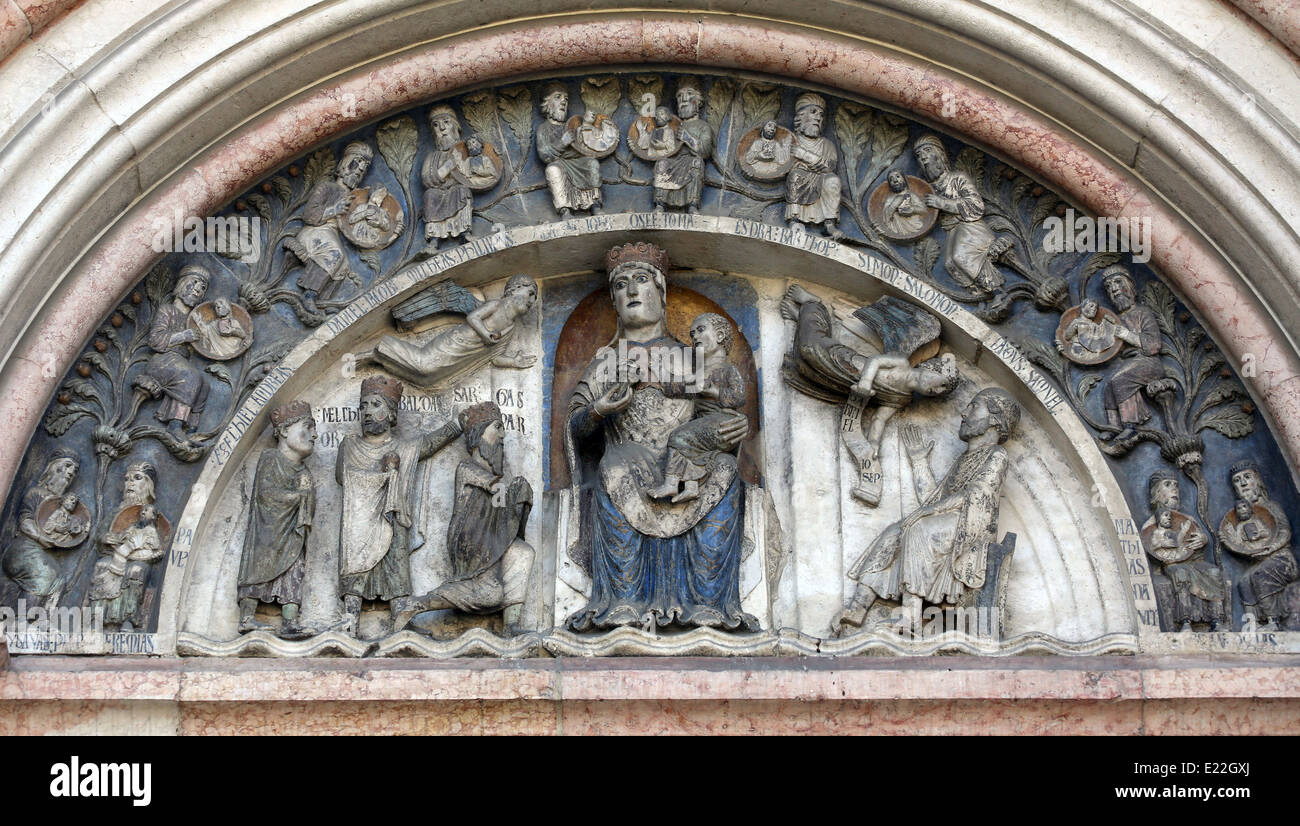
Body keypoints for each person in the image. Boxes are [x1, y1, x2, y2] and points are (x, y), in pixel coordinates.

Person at [563, 242, 758, 632]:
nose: (632, 291)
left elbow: (714, 416)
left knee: (724, 471)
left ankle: (707, 605)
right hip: (627, 456)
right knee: (614, 467)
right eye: (621, 285)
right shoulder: (606, 361)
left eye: (641, 280)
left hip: (688, 457)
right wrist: (601, 409)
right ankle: (623, 602)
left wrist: (733, 433)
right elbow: (576, 428)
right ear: (614, 302)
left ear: (661, 291)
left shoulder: (695, 359)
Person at [831, 388, 1021, 636]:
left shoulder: (997, 455)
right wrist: (920, 462)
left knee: (919, 529)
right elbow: (933, 500)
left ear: (995, 419)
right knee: (895, 531)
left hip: (969, 530)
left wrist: (925, 514)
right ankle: (857, 608)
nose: (964, 413)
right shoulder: (964, 458)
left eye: (974, 406)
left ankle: (910, 617)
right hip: (950, 523)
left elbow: (976, 495)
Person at [391, 402, 534, 633]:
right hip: (471, 540)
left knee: (523, 553)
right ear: (479, 434)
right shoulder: (467, 468)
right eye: (497, 428)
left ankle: (512, 624)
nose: (503, 435)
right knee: (490, 594)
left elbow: (504, 509)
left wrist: (520, 501)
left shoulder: (492, 475)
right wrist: (515, 489)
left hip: (490, 537)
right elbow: (495, 489)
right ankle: (416, 604)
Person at [335, 375, 462, 636]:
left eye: (375, 405)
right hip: (358, 522)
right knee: (356, 567)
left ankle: (401, 621)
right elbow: (341, 477)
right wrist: (383, 474)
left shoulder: (402, 448)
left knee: (396, 566)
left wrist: (458, 424)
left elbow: (428, 443)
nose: (367, 412)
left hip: (392, 519)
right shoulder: (349, 445)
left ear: (392, 414)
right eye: (364, 406)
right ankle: (350, 621)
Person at [364, 273, 538, 388]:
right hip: (455, 343)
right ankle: (383, 347)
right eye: (530, 293)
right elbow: (473, 318)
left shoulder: (511, 327)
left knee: (426, 379)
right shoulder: (495, 305)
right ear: (515, 288)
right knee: (422, 363)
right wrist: (486, 335)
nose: (532, 300)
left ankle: (379, 358)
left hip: (463, 357)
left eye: (535, 297)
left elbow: (495, 357)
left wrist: (513, 362)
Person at [237, 400, 317, 638]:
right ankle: (247, 617)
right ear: (283, 431)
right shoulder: (270, 458)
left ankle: (290, 621)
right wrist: (300, 495)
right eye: (307, 427)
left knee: (294, 571)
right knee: (257, 567)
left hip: (293, 533)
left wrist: (307, 495)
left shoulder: (304, 472)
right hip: (267, 532)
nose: (314, 434)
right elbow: (266, 494)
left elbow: (308, 507)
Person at [646, 312, 746, 504]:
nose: (694, 337)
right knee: (691, 444)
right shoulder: (697, 373)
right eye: (692, 334)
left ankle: (671, 483)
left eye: (700, 330)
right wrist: (655, 370)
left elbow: (739, 397)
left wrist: (713, 391)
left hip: (724, 422)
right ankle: (691, 487)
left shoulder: (727, 370)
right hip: (705, 424)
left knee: (679, 437)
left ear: (719, 336)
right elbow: (675, 388)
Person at [913, 134, 1011, 295]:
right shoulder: (927, 189)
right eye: (918, 155)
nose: (923, 157)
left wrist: (942, 203)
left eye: (927, 150)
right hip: (952, 231)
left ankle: (997, 291)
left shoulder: (956, 178)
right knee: (950, 264)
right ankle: (979, 293)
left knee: (960, 256)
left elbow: (976, 204)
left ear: (940, 154)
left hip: (971, 228)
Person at [132, 264, 210, 439]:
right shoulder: (167, 310)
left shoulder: (193, 320)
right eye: (194, 283)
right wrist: (184, 336)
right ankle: (175, 425)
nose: (198, 290)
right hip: (162, 361)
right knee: (191, 376)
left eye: (202, 288)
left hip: (178, 362)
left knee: (204, 385)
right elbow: (155, 340)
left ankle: (191, 427)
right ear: (182, 284)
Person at [1218, 459, 1298, 628]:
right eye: (1237, 481)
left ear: (1258, 481)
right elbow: (1240, 542)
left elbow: (1284, 531)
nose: (1243, 483)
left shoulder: (1271, 507)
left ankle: (1273, 621)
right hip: (1262, 560)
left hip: (1283, 560)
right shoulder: (1238, 520)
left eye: (1247, 477)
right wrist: (1229, 539)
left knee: (1260, 575)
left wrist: (1271, 548)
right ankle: (1253, 624)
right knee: (1244, 582)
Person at [1141, 471, 1223, 630]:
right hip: (1173, 564)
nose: (1174, 489)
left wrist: (1203, 539)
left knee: (1214, 572)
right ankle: (1186, 622)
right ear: (1156, 493)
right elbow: (1151, 546)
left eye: (1176, 486)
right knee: (1181, 575)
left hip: (1194, 562)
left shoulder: (1188, 520)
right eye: (1168, 485)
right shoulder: (1152, 523)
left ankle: (1217, 620)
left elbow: (1199, 538)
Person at [2, 450, 81, 612]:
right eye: (67, 466)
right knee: (45, 575)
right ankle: (22, 619)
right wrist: (41, 538)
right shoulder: (36, 493)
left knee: (59, 580)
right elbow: (25, 521)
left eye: (74, 470)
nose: (71, 472)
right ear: (54, 468)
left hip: (39, 550)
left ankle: (38, 619)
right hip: (23, 548)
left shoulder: (63, 506)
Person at [1097, 266, 1164, 440]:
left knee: (1120, 380)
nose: (1114, 288)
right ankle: (1113, 426)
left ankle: (1130, 425)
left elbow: (1154, 345)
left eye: (1118, 282)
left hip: (1149, 362)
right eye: (1109, 287)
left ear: (1131, 286)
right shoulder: (1115, 319)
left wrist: (1125, 334)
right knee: (1110, 384)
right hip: (1131, 363)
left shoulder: (1142, 312)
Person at [536, 83, 602, 217]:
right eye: (557, 97)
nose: (563, 102)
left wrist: (587, 124)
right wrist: (562, 143)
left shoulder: (571, 125)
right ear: (547, 104)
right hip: (560, 163)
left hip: (578, 162)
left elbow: (584, 145)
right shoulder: (543, 129)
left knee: (592, 164)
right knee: (552, 170)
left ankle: (595, 205)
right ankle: (565, 210)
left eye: (565, 99)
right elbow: (545, 155)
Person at [784, 93, 843, 238]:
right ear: (800, 116)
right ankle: (794, 219)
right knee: (796, 175)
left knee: (833, 180)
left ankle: (829, 224)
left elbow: (829, 167)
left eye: (821, 115)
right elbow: (783, 164)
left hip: (821, 179)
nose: (818, 117)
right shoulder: (792, 140)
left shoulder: (827, 144)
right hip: (800, 177)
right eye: (813, 112)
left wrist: (804, 155)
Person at [652, 80, 713, 213]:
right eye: (680, 96)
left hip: (690, 160)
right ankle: (660, 204)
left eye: (689, 94)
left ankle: (692, 204)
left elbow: (705, 151)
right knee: (662, 164)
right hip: (673, 160)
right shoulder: (673, 124)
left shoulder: (703, 126)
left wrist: (688, 138)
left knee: (697, 163)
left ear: (699, 102)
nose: (684, 98)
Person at [880, 170, 927, 237]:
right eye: (891, 179)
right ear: (890, 185)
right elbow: (886, 217)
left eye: (898, 176)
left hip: (914, 225)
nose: (895, 180)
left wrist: (913, 210)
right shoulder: (890, 199)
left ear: (904, 179)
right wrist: (894, 204)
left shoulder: (912, 195)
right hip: (897, 229)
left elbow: (923, 210)